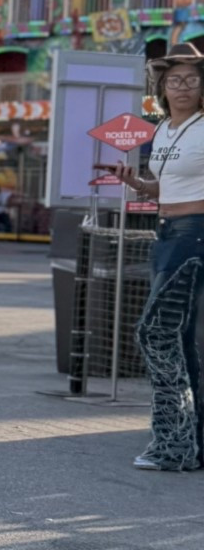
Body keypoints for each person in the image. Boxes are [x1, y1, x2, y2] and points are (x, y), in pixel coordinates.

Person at [107, 42, 204, 471]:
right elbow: (167, 187)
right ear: (162, 87)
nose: (181, 87)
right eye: (173, 80)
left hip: (194, 236)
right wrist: (137, 185)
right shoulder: (163, 129)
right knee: (180, 340)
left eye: (191, 79)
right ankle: (192, 441)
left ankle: (174, 443)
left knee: (156, 333)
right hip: (164, 233)